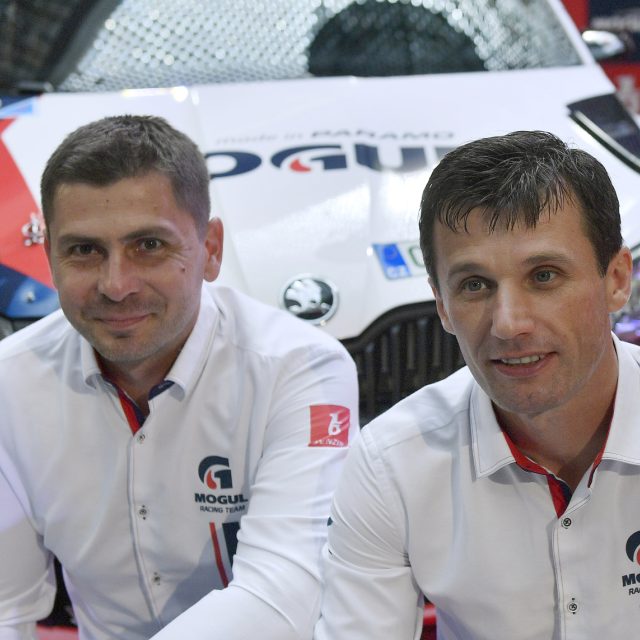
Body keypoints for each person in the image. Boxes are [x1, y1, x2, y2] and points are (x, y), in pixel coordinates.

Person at [0, 114, 359, 640]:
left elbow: (283, 595)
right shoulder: (9, 383)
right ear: (50, 253)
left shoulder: (301, 367)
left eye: (148, 245)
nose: (116, 284)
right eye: (84, 250)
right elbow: (7, 607)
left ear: (210, 249)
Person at [314, 130, 639, 639]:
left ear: (617, 279)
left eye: (544, 276)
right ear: (442, 306)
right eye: (475, 285)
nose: (508, 324)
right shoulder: (391, 464)